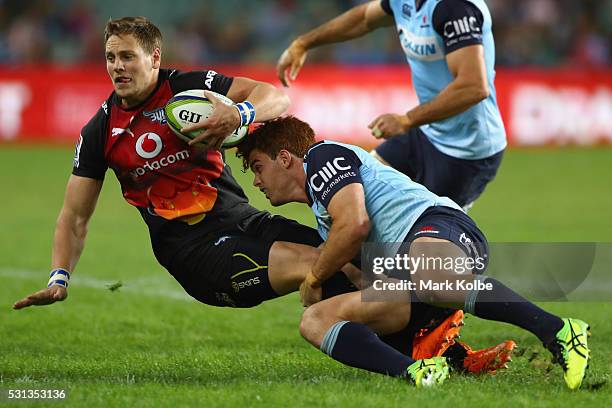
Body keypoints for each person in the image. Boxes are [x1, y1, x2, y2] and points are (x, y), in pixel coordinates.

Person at [11, 17, 513, 387]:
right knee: (324, 262)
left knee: (362, 261)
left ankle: (444, 355)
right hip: (197, 252)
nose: (117, 67)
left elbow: (276, 97)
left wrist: (239, 114)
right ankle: (417, 370)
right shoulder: (101, 132)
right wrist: (60, 278)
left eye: (127, 57)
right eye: (110, 58)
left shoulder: (188, 88)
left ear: (154, 60)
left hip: (246, 220)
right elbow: (74, 215)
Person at [236, 116, 591, 390]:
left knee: (428, 275)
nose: (256, 181)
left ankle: (559, 330)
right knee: (314, 320)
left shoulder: (321, 157)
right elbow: (366, 275)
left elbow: (356, 225)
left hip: (441, 228)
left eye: (257, 166)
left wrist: (314, 277)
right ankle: (424, 368)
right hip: (410, 272)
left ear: (284, 158)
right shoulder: (324, 217)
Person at [276, 0, 506, 210]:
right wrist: (304, 43)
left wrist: (407, 120)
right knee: (353, 194)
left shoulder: (455, 8)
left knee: (428, 244)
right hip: (426, 132)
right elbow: (364, 19)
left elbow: (473, 86)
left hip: (467, 150)